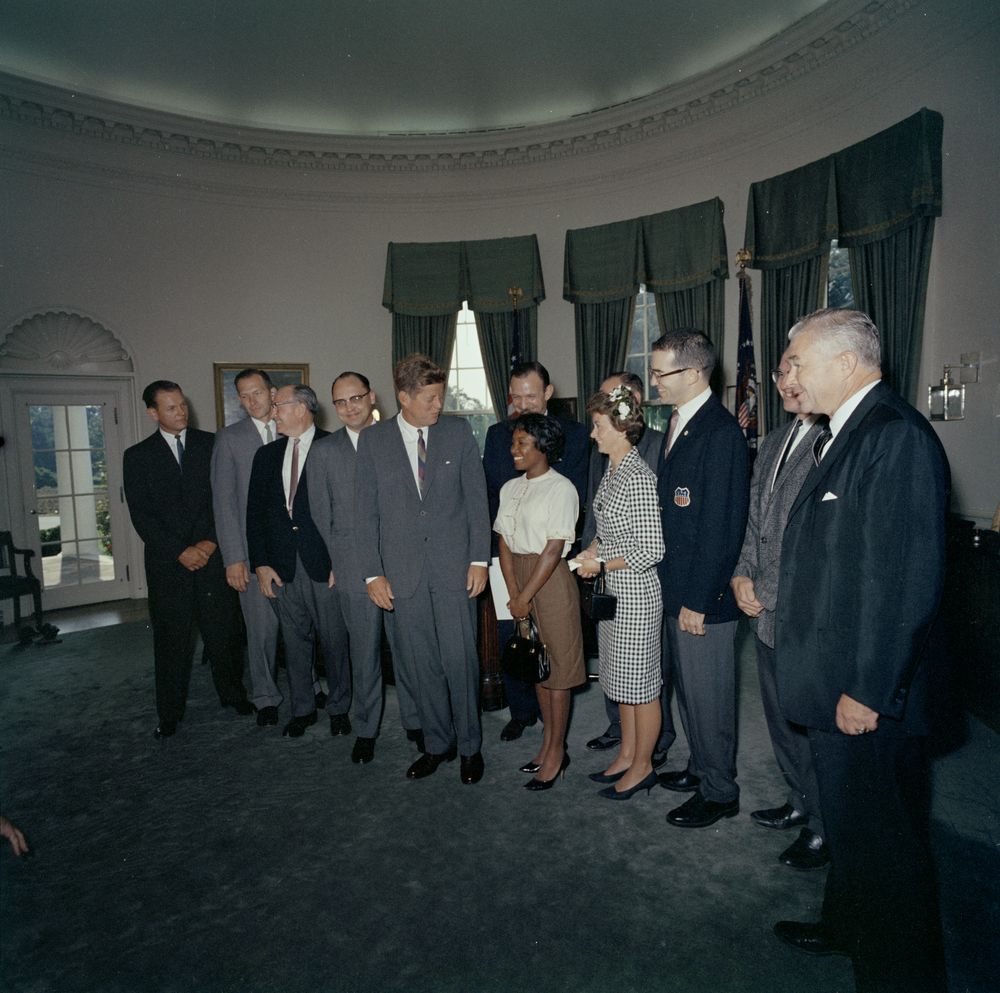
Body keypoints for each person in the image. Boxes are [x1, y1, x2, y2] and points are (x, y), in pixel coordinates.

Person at [771, 309, 949, 993]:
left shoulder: (894, 436)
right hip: (834, 678)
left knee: (886, 852)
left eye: (798, 360)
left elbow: (901, 582)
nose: (790, 373)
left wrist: (870, 689)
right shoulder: (845, 433)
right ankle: (845, 923)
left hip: (865, 693)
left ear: (845, 364)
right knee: (852, 827)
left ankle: (898, 975)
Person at [356, 354, 491, 784]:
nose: (439, 405)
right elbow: (365, 515)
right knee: (420, 665)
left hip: (455, 571)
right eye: (431, 398)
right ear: (404, 397)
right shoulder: (373, 441)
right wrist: (372, 573)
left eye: (441, 396)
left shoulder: (457, 433)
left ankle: (470, 746)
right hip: (402, 576)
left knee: (461, 662)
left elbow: (476, 502)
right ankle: (438, 745)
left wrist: (478, 560)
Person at [731, 356, 830, 870]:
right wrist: (742, 575)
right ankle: (800, 801)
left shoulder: (835, 442)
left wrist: (767, 587)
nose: (786, 382)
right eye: (780, 372)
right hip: (763, 611)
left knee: (814, 729)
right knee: (781, 720)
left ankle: (824, 826)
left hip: (802, 614)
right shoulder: (772, 441)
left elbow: (816, 543)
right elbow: (756, 523)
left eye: (797, 369)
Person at [651, 330, 749, 828]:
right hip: (677, 588)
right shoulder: (680, 423)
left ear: (692, 373)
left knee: (709, 698)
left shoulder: (720, 432)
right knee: (689, 692)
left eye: (660, 372)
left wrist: (700, 600)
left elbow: (722, 527)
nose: (653, 381)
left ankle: (720, 791)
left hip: (701, 597)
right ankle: (699, 765)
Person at [123, 381, 250, 739]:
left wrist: (208, 544)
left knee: (224, 635)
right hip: (169, 565)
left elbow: (224, 498)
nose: (182, 412)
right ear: (153, 413)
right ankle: (170, 712)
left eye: (183, 405)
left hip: (212, 558)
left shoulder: (212, 445)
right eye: (171, 408)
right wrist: (181, 550)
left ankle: (233, 695)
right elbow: (142, 515)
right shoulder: (137, 456)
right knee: (171, 642)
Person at [483, 360, 589, 742]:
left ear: (547, 393)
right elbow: (492, 491)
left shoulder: (576, 435)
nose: (523, 403)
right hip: (507, 549)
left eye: (531, 394)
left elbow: (575, 495)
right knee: (512, 631)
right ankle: (521, 711)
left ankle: (554, 726)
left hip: (549, 550)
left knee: (553, 641)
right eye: (516, 396)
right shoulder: (497, 436)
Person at [245, 384, 350, 739]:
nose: (272, 412)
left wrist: (343, 562)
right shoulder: (266, 456)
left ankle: (339, 708)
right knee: (293, 642)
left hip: (325, 565)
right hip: (282, 567)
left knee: (335, 641)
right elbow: (254, 515)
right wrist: (260, 564)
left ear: (303, 408)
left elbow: (346, 513)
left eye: (278, 406)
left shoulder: (335, 447)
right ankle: (302, 709)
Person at [576, 386, 664, 799]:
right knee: (622, 684)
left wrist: (602, 563)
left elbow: (651, 548)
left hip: (636, 596)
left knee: (641, 688)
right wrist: (589, 551)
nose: (593, 434)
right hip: (615, 596)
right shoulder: (613, 470)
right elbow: (611, 530)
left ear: (621, 428)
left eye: (597, 426)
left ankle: (644, 766)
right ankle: (628, 754)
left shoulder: (639, 476)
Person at [494, 413, 586, 790]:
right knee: (536, 668)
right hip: (517, 578)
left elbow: (553, 549)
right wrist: (514, 594)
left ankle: (556, 750)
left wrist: (525, 596)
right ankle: (547, 746)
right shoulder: (509, 488)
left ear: (543, 447)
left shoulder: (561, 488)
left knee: (558, 672)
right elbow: (503, 540)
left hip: (549, 583)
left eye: (521, 443)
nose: (513, 450)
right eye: (513, 442)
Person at [307, 372, 392, 764]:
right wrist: (339, 562)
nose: (349, 407)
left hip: (403, 565)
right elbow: (323, 517)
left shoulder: (397, 440)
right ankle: (365, 729)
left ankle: (418, 722)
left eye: (355, 398)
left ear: (371, 396)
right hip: (354, 570)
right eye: (340, 402)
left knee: (409, 654)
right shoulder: (324, 452)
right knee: (364, 655)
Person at [210, 368, 285, 726]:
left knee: (302, 626)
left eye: (257, 392)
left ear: (272, 393)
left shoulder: (292, 427)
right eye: (244, 395)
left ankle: (310, 685)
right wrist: (234, 558)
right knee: (262, 631)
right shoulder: (229, 439)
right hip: (253, 557)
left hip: (292, 551)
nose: (251, 400)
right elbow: (223, 503)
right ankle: (265, 696)